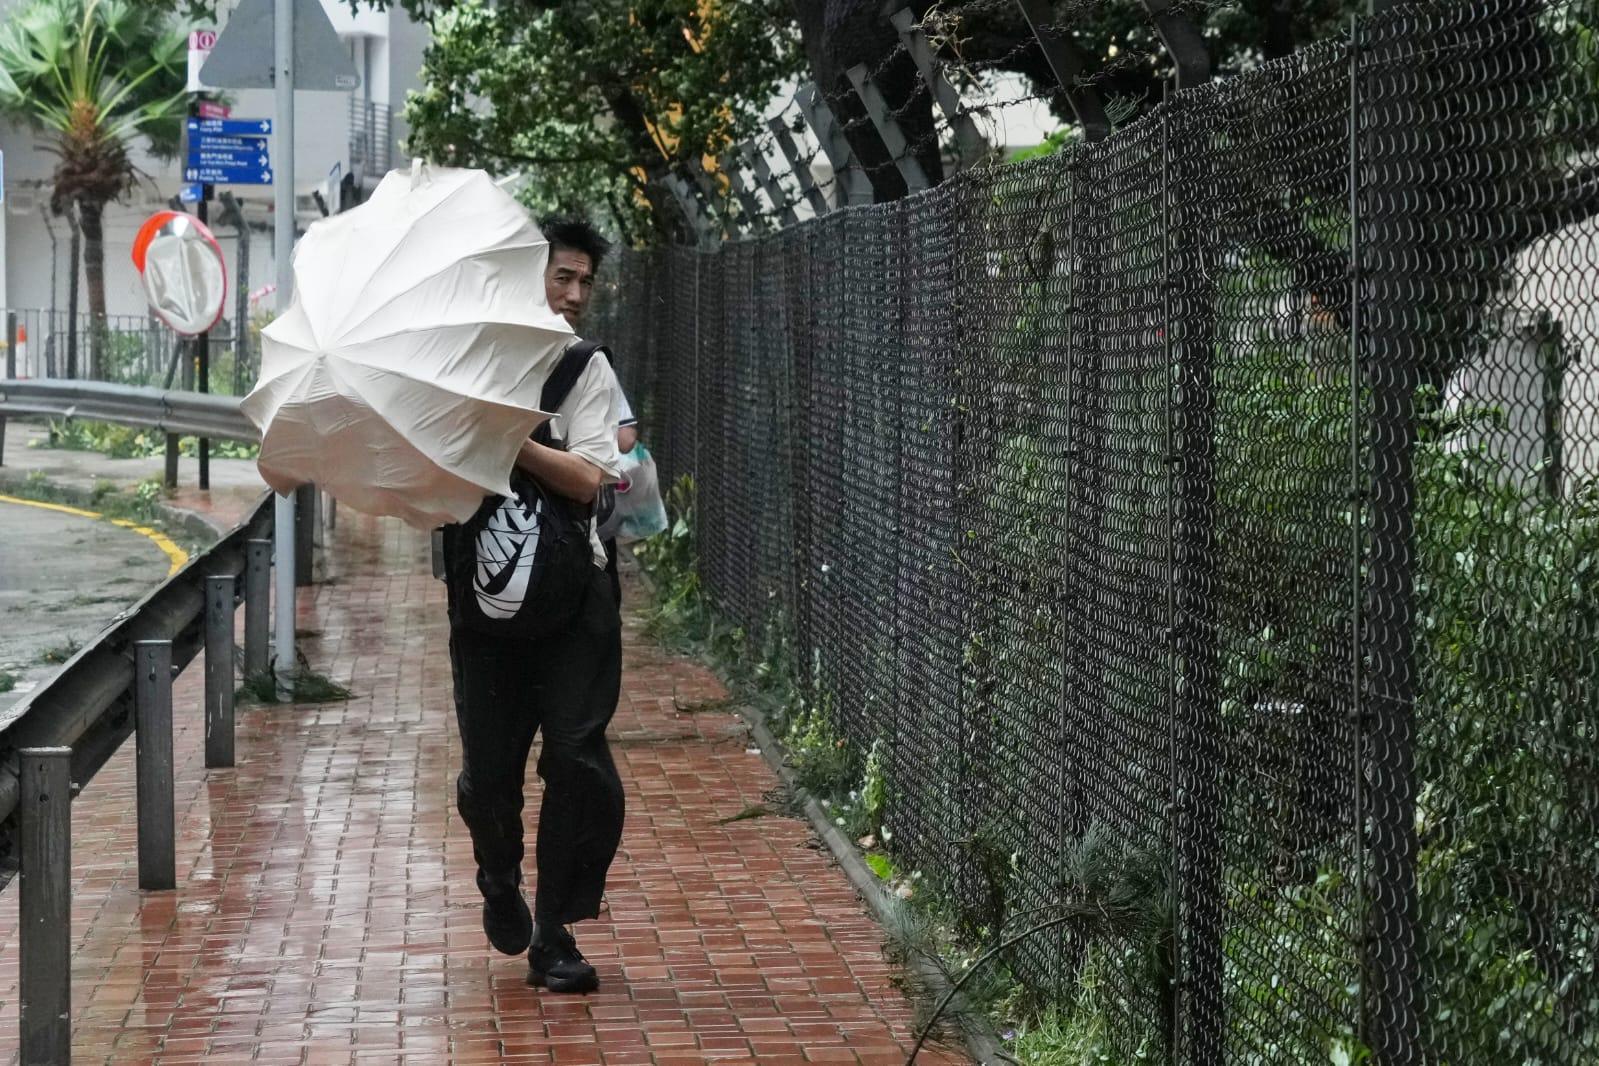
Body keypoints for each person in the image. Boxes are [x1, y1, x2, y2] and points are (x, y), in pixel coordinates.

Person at [446, 216, 626, 994]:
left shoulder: (584, 368)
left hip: (575, 597)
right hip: (484, 606)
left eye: (586, 281)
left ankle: (554, 932)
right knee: (489, 778)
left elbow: (592, 477)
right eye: (563, 277)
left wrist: (510, 440)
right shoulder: (460, 368)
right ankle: (497, 872)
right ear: (530, 279)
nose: (576, 294)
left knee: (577, 761)